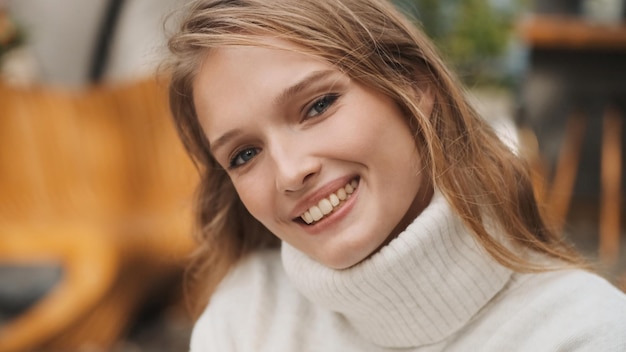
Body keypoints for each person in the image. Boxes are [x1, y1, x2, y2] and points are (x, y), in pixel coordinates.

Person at [165, 0, 626, 350]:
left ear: (411, 84)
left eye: (318, 106)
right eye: (245, 154)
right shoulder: (245, 317)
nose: (289, 171)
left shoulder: (586, 331)